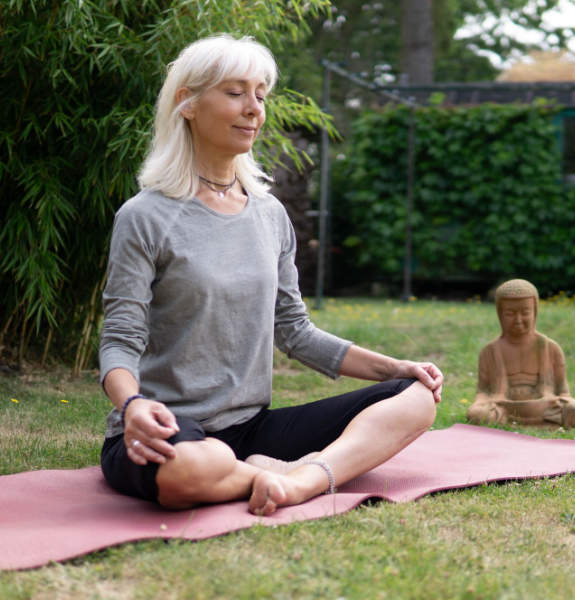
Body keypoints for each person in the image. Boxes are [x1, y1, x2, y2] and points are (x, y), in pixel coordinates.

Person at [99, 34, 442, 517]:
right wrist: (132, 406)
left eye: (261, 94)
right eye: (236, 93)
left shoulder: (269, 214)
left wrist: (395, 369)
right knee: (186, 468)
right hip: (165, 430)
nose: (254, 109)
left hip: (251, 429)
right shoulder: (145, 217)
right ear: (188, 103)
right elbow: (120, 337)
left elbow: (294, 331)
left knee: (416, 399)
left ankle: (300, 480)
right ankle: (279, 474)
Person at [466, 279, 575, 428]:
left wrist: (565, 401)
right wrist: (481, 404)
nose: (518, 320)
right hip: (504, 408)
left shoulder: (551, 348)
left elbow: (563, 392)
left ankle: (519, 424)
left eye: (525, 312)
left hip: (544, 408)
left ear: (535, 312)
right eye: (510, 313)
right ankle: (517, 422)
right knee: (477, 414)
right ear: (500, 314)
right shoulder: (489, 352)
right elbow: (483, 392)